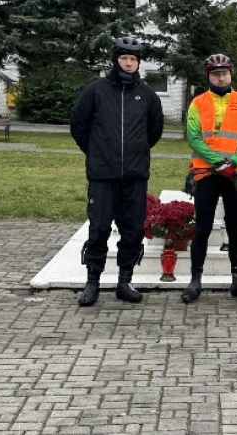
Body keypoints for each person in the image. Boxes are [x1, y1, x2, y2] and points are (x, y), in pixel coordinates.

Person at [70, 37, 164, 306]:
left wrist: (136, 152)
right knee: (98, 229)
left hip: (134, 176)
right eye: (124, 58)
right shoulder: (96, 91)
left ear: (138, 63)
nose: (128, 63)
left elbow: (153, 132)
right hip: (102, 176)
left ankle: (125, 281)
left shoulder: (147, 95)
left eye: (133, 59)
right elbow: (79, 125)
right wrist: (96, 152)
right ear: (115, 60)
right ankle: (93, 283)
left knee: (133, 231)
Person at [181, 55, 237, 304]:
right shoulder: (198, 103)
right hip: (207, 174)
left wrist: (234, 162)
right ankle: (195, 281)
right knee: (202, 228)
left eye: (224, 73)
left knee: (235, 228)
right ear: (208, 76)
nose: (220, 77)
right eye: (215, 74)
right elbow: (194, 138)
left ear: (231, 73)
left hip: (234, 175)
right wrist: (218, 162)